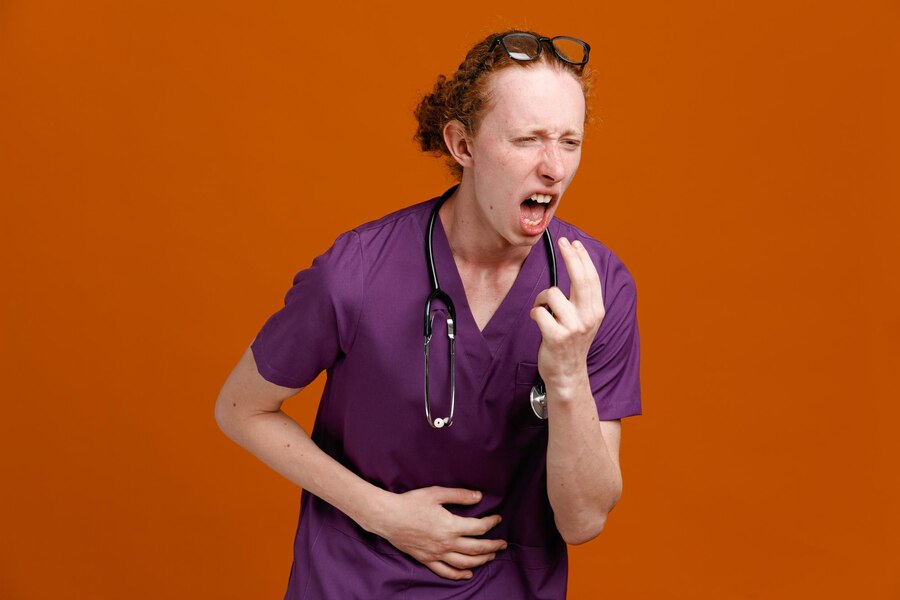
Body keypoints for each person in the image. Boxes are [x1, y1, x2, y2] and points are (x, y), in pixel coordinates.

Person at [215, 29, 642, 599]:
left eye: (570, 141)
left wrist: (566, 376)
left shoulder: (598, 287)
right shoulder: (356, 274)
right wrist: (381, 513)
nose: (553, 169)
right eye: (528, 139)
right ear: (461, 145)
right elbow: (241, 408)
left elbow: (583, 521)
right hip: (352, 582)